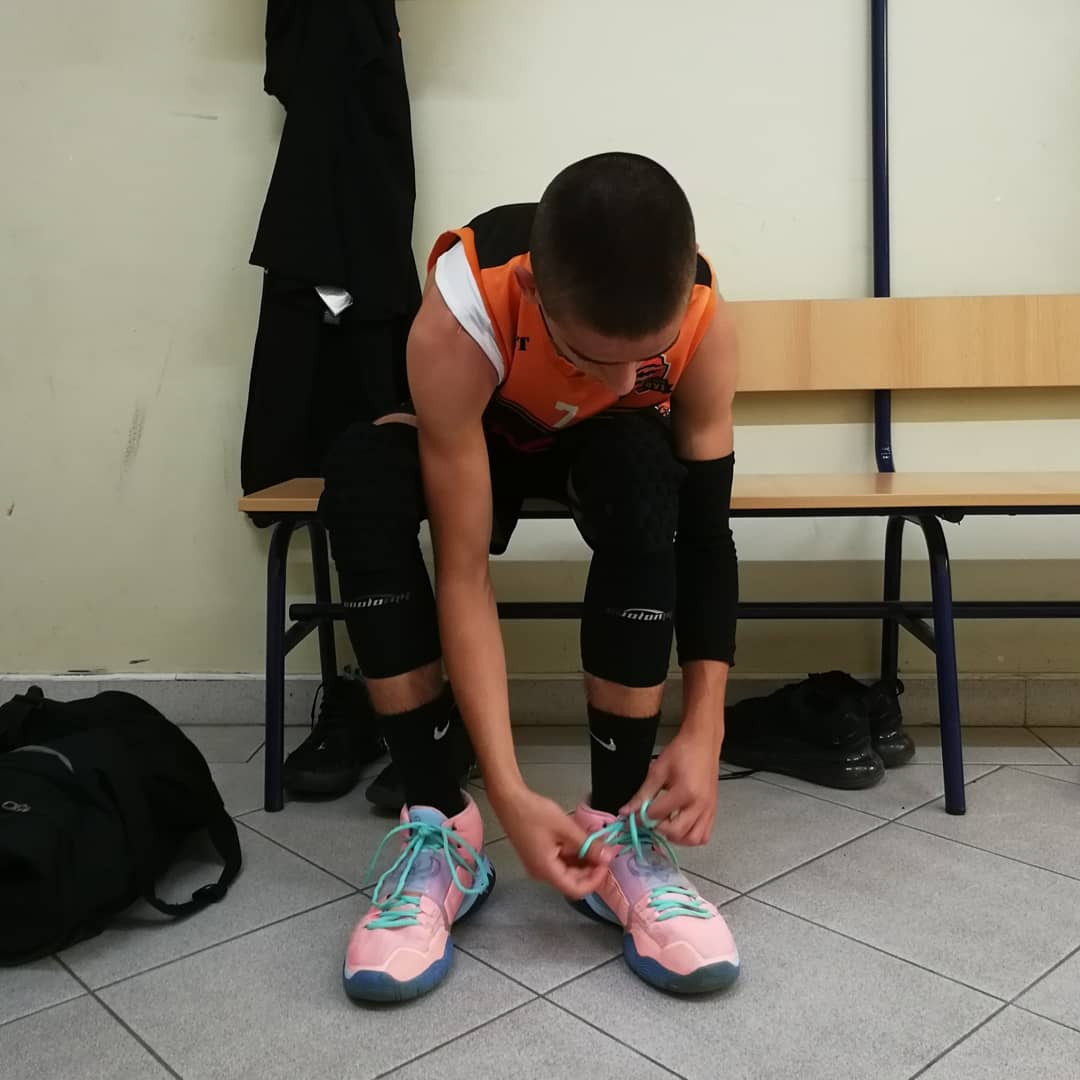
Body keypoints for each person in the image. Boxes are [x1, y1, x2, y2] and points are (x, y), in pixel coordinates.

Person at [319, 152, 740, 1002]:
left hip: (601, 451)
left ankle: (617, 826)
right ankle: (442, 823)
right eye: (590, 355)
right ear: (533, 293)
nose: (621, 380)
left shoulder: (701, 313)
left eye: (645, 359)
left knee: (645, 474)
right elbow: (464, 573)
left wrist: (706, 725)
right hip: (480, 431)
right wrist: (506, 791)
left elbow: (705, 534)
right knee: (362, 480)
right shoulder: (464, 308)